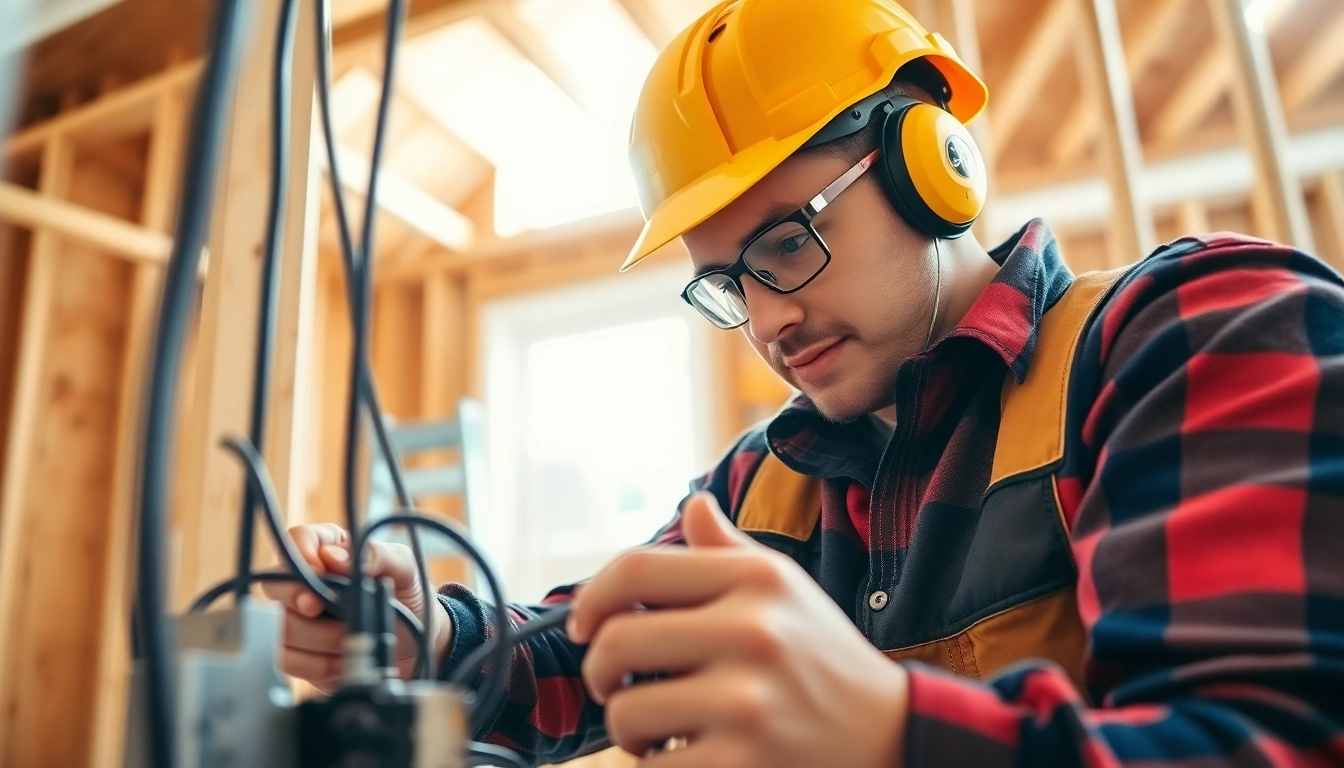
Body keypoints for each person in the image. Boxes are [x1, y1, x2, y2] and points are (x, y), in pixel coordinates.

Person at [266, 1, 1344, 765]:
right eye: (729, 285)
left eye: (786, 244)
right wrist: (431, 636)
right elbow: (588, 650)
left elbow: (1277, 739)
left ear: (936, 166)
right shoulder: (771, 478)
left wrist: (889, 735)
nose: (769, 319)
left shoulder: (1193, 332)